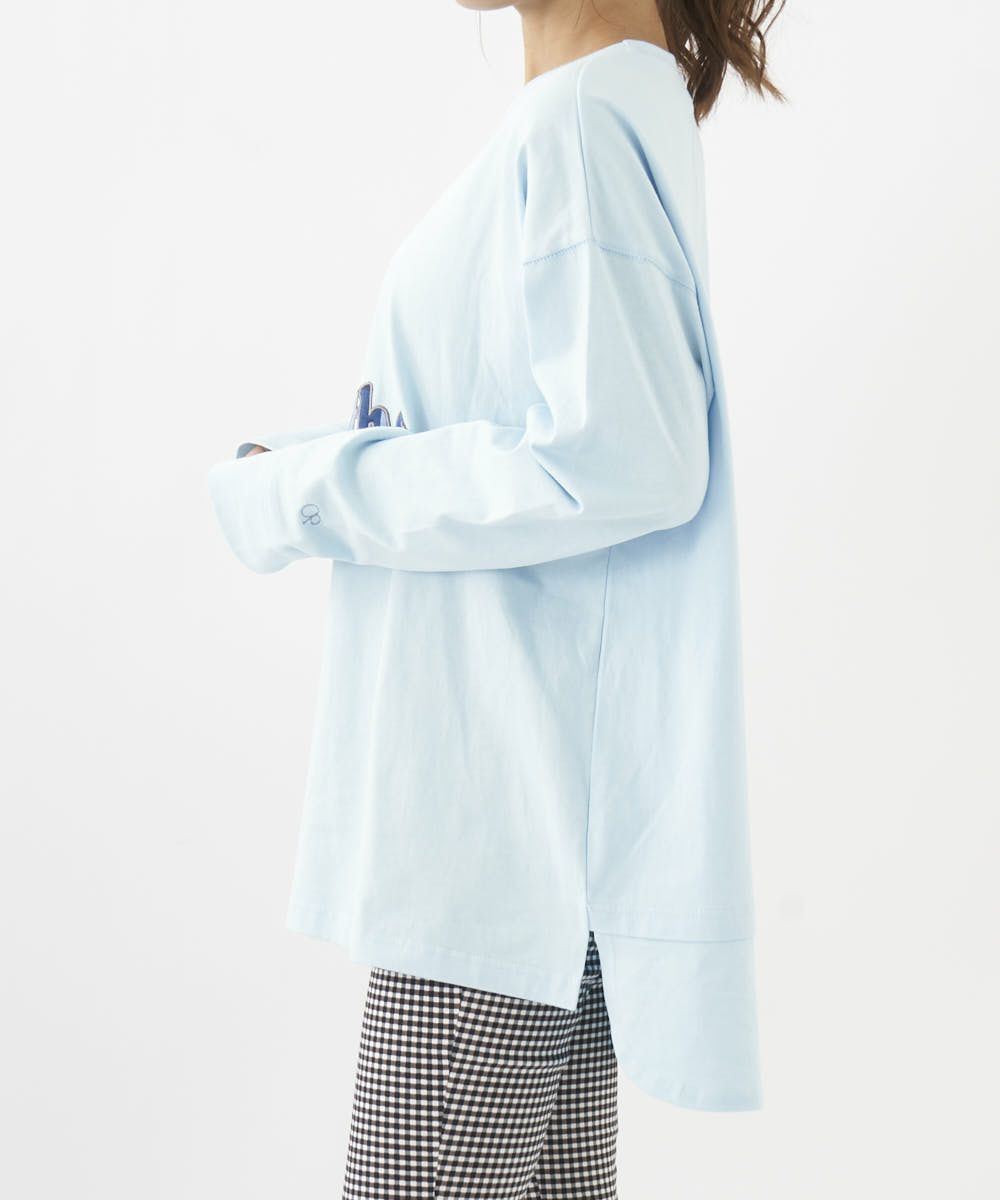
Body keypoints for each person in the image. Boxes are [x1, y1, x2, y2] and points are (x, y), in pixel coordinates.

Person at [206, 0, 784, 1194]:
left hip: (492, 860)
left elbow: (624, 461)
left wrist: (310, 490)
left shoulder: (581, 122)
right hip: (529, 851)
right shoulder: (603, 110)